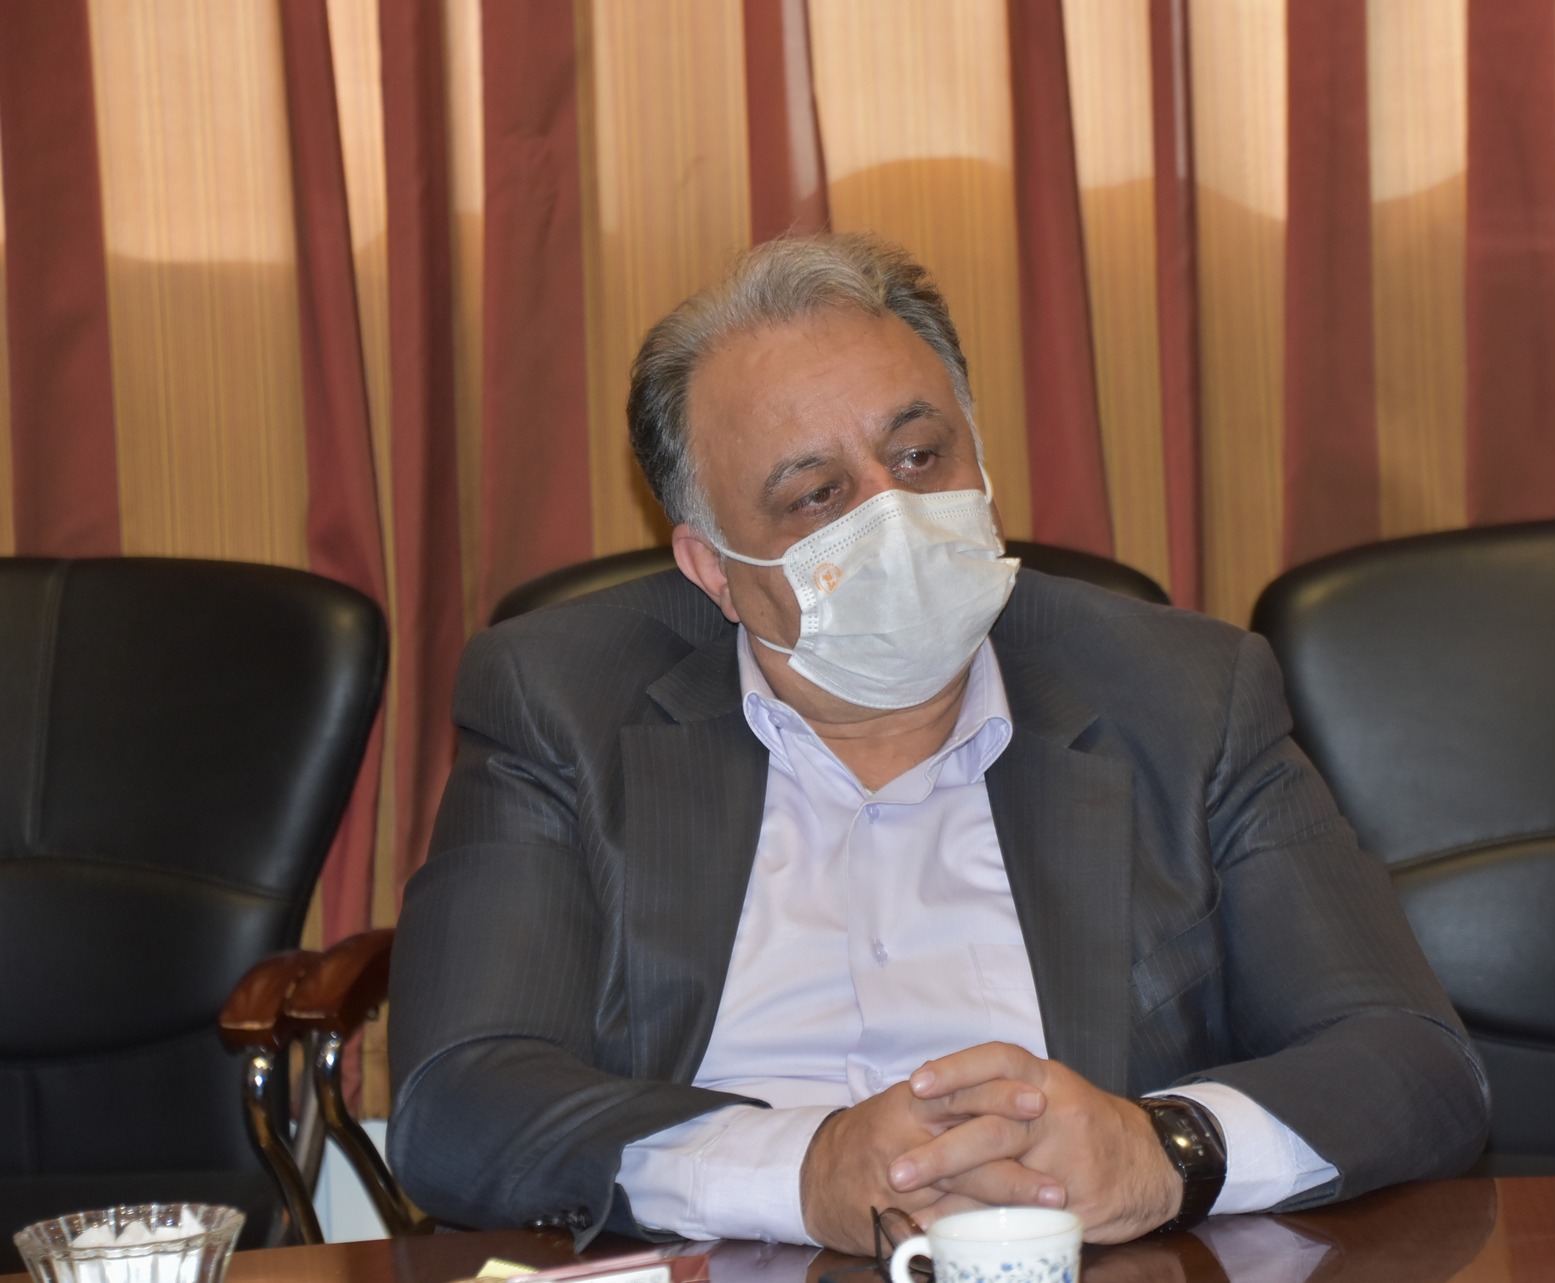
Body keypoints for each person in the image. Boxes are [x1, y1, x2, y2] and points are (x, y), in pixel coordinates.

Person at [388, 233, 1489, 1255]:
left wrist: (1162, 1148)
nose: (893, 513)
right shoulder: (560, 702)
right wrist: (799, 1170)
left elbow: (1410, 1061)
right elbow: (460, 1101)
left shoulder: (1183, 692)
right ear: (713, 567)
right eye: (816, 495)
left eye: (919, 455)